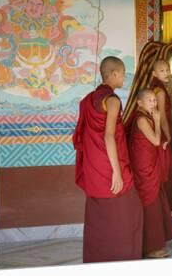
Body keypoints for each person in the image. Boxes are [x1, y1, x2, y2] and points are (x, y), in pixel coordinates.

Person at [72, 56, 143, 262]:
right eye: (122, 73)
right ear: (113, 74)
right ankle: (124, 257)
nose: (124, 77)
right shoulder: (112, 100)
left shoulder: (88, 99)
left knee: (99, 215)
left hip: (94, 165)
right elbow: (109, 136)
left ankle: (98, 258)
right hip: (110, 164)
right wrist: (117, 173)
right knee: (131, 210)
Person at [128, 89, 172, 258]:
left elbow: (155, 141)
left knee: (156, 200)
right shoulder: (141, 119)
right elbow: (155, 140)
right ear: (139, 103)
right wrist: (157, 121)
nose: (154, 103)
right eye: (149, 100)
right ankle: (151, 248)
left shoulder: (145, 116)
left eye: (155, 100)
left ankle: (155, 243)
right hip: (144, 168)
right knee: (150, 203)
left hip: (150, 164)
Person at [149, 59, 172, 211]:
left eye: (167, 70)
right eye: (162, 71)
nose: (167, 73)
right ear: (154, 73)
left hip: (155, 131)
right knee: (166, 169)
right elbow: (163, 117)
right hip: (161, 133)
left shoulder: (155, 87)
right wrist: (169, 136)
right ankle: (166, 207)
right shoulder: (159, 91)